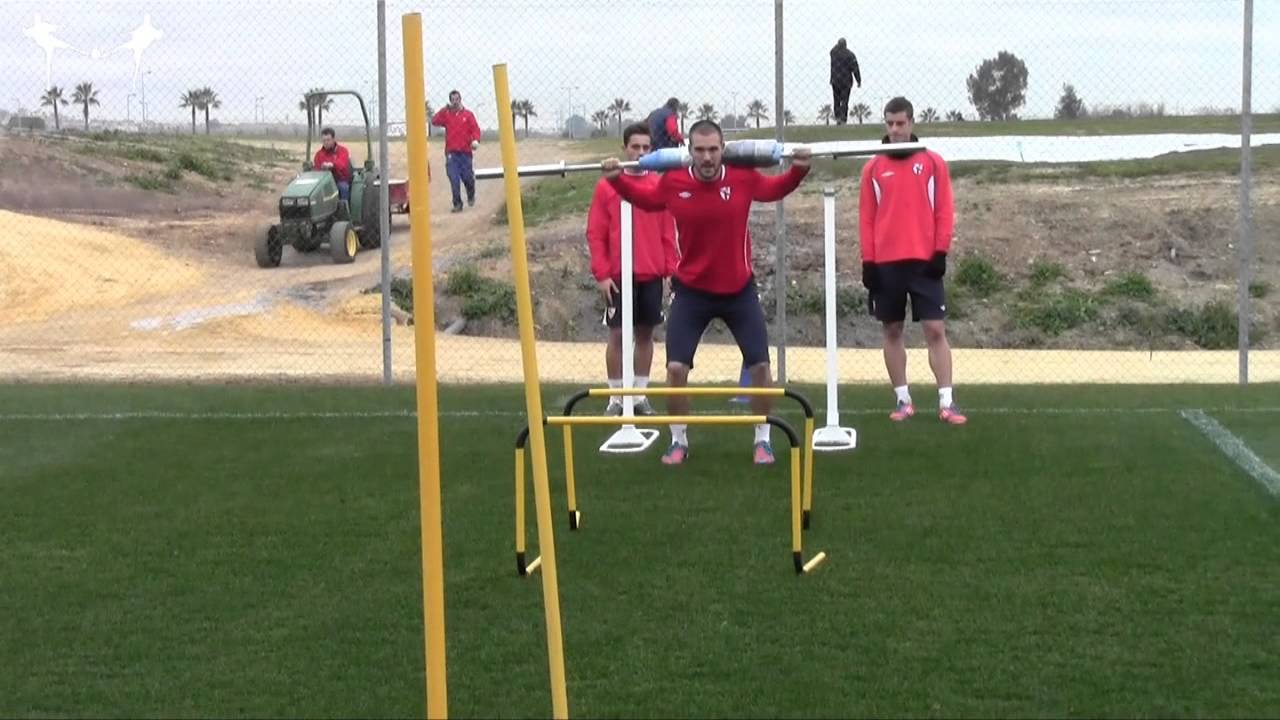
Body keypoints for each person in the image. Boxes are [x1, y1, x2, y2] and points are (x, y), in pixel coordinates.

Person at [602, 120, 812, 465]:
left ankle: (763, 438)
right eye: (699, 150)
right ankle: (678, 440)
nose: (707, 157)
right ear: (689, 151)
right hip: (692, 293)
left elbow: (775, 188)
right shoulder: (674, 182)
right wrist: (617, 179)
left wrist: (799, 171)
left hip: (739, 291)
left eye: (713, 149)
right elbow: (645, 198)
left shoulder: (742, 177)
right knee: (675, 370)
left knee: (760, 367)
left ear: (723, 148)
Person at [858, 96, 966, 425]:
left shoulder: (933, 162)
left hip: (924, 263)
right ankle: (903, 400)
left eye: (900, 123)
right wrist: (869, 262)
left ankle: (947, 402)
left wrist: (940, 251)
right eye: (889, 124)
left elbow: (944, 210)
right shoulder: (873, 168)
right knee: (892, 330)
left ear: (911, 123)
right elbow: (867, 218)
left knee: (935, 329)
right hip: (887, 265)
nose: (895, 129)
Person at [586, 123, 679, 417]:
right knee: (616, 336)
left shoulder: (658, 185)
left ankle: (639, 395)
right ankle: (616, 398)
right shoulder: (606, 187)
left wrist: (670, 271)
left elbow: (668, 232)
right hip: (617, 277)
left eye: (645, 147)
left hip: (650, 275)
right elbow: (596, 233)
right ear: (624, 148)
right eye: (635, 147)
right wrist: (601, 274)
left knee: (645, 335)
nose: (640, 152)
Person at [431, 90, 481, 212]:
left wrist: (475, 140)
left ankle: (471, 193)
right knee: (454, 178)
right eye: (452, 100)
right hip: (452, 153)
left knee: (467, 177)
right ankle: (457, 204)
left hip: (465, 153)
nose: (455, 102)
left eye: (457, 99)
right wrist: (444, 109)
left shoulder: (468, 115)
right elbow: (434, 121)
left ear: (460, 99)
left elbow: (475, 129)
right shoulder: (447, 115)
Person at [313, 127, 353, 202]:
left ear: (333, 139)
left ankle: (343, 209)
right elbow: (316, 169)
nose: (326, 142)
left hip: (339, 180)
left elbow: (342, 164)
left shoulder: (342, 151)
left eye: (328, 140)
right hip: (323, 182)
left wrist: (332, 164)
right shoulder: (319, 154)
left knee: (344, 188)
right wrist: (321, 168)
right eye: (324, 140)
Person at [829, 38, 862, 125]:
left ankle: (838, 118)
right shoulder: (850, 55)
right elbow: (855, 68)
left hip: (835, 80)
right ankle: (843, 119)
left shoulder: (834, 53)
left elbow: (832, 50)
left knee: (836, 100)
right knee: (845, 101)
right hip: (846, 81)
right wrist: (858, 80)